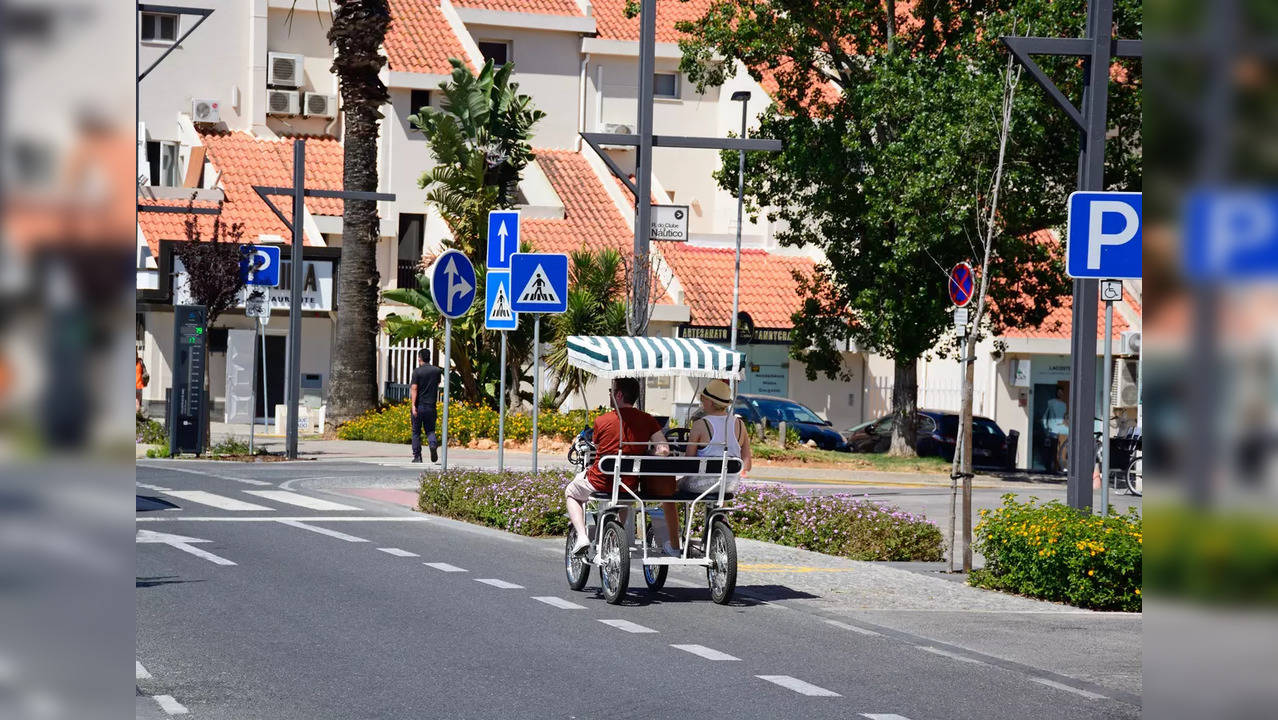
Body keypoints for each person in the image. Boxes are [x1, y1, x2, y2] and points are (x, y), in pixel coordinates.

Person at [564, 377, 674, 556]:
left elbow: (597, 446)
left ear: (619, 394)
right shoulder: (648, 420)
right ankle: (616, 536)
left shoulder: (602, 420)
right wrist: (648, 455)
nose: (609, 394)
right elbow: (664, 449)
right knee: (624, 499)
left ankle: (583, 536)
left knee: (571, 491)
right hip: (629, 485)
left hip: (600, 482)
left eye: (611, 391)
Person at [682, 379, 752, 494]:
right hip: (729, 486)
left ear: (710, 401)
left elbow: (688, 462)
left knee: (668, 488)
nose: (701, 401)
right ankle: (719, 510)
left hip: (700, 486)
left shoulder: (700, 424)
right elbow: (747, 465)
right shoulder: (740, 424)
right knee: (721, 494)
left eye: (702, 398)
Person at [410, 349, 443, 464]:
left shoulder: (417, 372)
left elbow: (414, 388)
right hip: (431, 406)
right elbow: (437, 384)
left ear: (420, 358)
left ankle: (417, 456)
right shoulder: (437, 371)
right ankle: (433, 444)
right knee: (430, 430)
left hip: (419, 406)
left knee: (416, 432)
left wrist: (413, 405)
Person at [1041, 385, 1069, 472]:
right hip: (1052, 430)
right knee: (1051, 450)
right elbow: (1044, 416)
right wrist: (1046, 428)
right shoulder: (1051, 402)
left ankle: (1060, 467)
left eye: (1061, 392)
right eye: (1059, 392)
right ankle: (1050, 468)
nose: (1060, 394)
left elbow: (1064, 417)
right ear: (1056, 393)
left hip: (1062, 430)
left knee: (1061, 450)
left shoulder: (1064, 404)